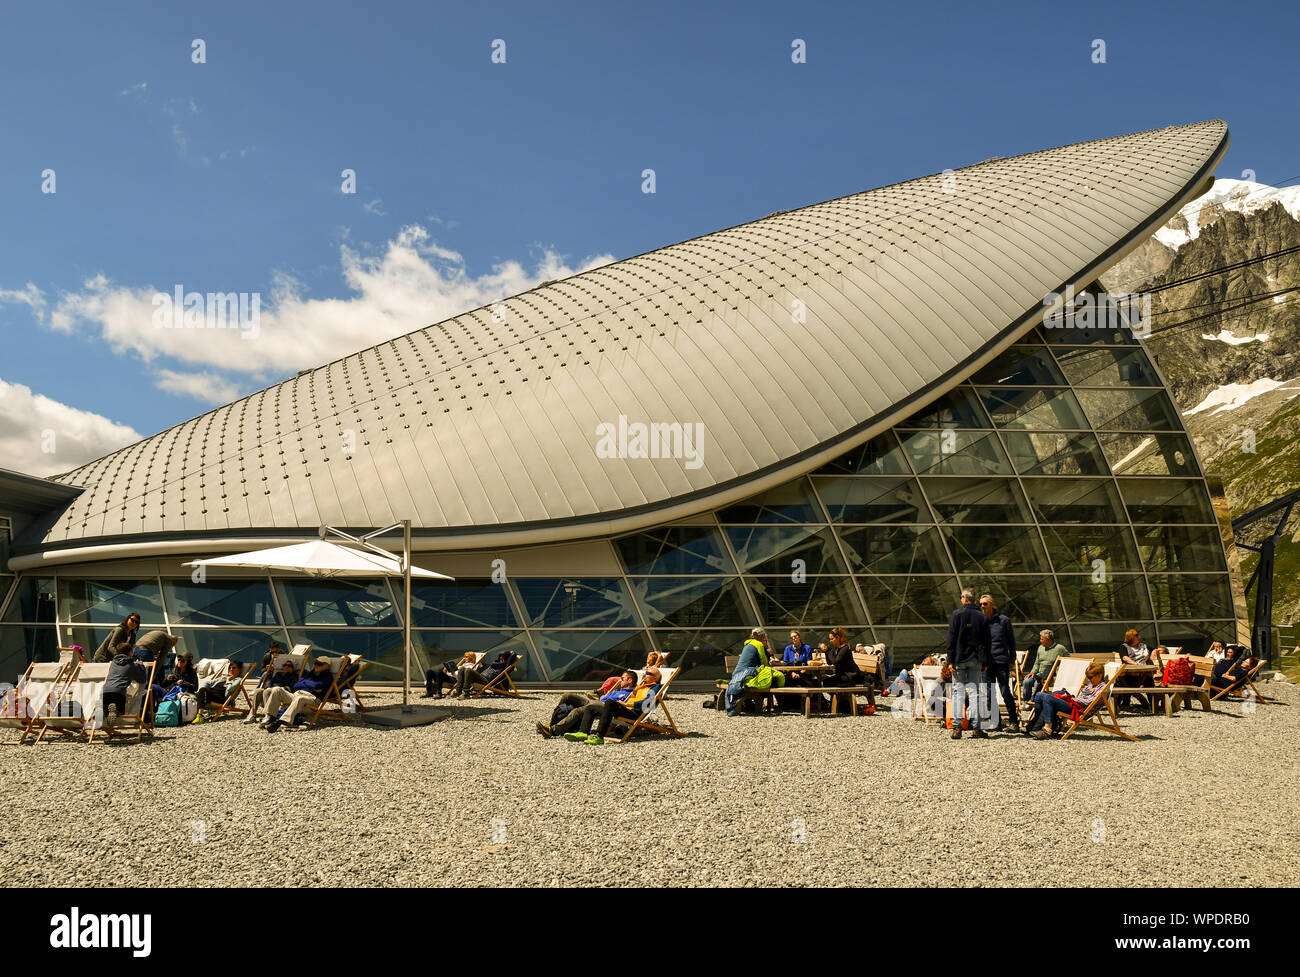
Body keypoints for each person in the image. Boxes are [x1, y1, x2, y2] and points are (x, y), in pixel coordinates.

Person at [563, 667, 662, 745]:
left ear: (655, 678)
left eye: (648, 674)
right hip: (626, 710)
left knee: (610, 702)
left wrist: (626, 704)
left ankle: (599, 736)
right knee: (591, 708)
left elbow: (646, 703)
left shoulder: (655, 688)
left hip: (634, 714)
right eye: (644, 673)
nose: (644, 675)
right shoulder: (642, 686)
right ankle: (583, 732)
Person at [946, 587, 991, 739]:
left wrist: (950, 660)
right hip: (976, 659)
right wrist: (985, 661)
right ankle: (977, 727)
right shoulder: (981, 617)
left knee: (958, 692)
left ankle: (957, 727)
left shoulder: (957, 615)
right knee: (975, 693)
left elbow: (951, 639)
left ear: (965, 598)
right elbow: (987, 642)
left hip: (959, 659)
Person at [537, 670, 637, 738]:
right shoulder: (618, 690)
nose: (620, 680)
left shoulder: (633, 693)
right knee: (567, 696)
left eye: (623, 678)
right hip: (598, 702)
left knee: (578, 710)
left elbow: (627, 707)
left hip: (605, 707)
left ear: (630, 680)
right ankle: (552, 723)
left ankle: (552, 731)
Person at [1025, 661, 1108, 739]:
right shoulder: (1092, 685)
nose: (1089, 680)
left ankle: (1047, 730)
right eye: (1088, 677)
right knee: (1039, 695)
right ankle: (1036, 726)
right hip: (1074, 704)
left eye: (1090, 677)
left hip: (1079, 710)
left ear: (1099, 676)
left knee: (1048, 698)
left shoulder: (1103, 688)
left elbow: (1090, 702)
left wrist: (1071, 699)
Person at [980, 594, 1019, 732]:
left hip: (1001, 661)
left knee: (1005, 691)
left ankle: (1014, 722)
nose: (982, 607)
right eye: (981, 604)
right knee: (989, 693)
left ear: (992, 604)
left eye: (985, 604)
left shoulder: (1003, 620)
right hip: (986, 663)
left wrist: (1012, 660)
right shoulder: (981, 621)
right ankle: (996, 721)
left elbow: (1011, 642)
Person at [264, 657, 334, 732]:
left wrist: (304, 683)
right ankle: (270, 717)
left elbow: (317, 685)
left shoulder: (328, 677)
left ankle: (280, 722)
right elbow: (296, 685)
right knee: (277, 689)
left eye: (319, 664)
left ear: (327, 666)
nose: (316, 665)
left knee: (300, 698)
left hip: (312, 700)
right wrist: (309, 684)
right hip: (296, 695)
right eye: (315, 663)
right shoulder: (310, 674)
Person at [725, 628, 784, 716]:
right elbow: (764, 662)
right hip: (747, 673)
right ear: (762, 636)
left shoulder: (748, 644)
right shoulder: (758, 644)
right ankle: (781, 704)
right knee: (775, 677)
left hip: (737, 674)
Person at [101, 642, 149, 726]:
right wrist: (140, 665)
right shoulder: (131, 665)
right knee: (120, 713)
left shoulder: (113, 664)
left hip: (105, 691)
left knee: (106, 715)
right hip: (118, 693)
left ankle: (108, 713)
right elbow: (142, 679)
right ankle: (115, 711)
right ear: (130, 652)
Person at [822, 626, 866, 713]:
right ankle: (842, 701)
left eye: (832, 639)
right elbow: (830, 662)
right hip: (843, 675)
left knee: (829, 682)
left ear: (838, 638)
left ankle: (842, 701)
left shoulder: (845, 649)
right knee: (826, 681)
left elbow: (836, 661)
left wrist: (827, 651)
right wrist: (826, 652)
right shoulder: (836, 649)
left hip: (850, 676)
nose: (830, 641)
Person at [245, 659, 300, 723]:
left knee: (268, 691)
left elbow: (292, 687)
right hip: (271, 690)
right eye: (285, 665)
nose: (286, 667)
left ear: (293, 668)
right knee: (258, 691)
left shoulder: (294, 676)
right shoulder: (278, 674)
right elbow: (271, 682)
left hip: (282, 692)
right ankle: (252, 715)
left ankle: (268, 716)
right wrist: (270, 673)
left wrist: (279, 688)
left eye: (289, 665)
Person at [449, 649, 520, 698]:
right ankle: (458, 691)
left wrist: (512, 652)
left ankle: (466, 693)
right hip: (481, 677)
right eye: (500, 656)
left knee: (468, 670)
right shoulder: (496, 663)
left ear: (507, 658)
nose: (501, 658)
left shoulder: (506, 666)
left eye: (503, 656)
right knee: (461, 668)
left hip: (486, 681)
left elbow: (512, 657)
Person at [1021, 629, 1067, 703]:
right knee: (1026, 681)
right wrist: (1032, 672)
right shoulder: (1040, 648)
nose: (1040, 640)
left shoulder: (1060, 648)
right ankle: (1026, 701)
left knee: (1037, 683)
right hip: (1039, 674)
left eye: (1042, 639)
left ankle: (1033, 701)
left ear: (1048, 640)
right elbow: (1037, 663)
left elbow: (1068, 660)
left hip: (1050, 675)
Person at [1117, 629, 1154, 710]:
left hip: (1143, 671)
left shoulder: (1143, 645)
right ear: (1131, 637)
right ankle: (1125, 703)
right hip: (1129, 673)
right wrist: (1135, 664)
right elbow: (1125, 657)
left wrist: (1154, 653)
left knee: (1149, 680)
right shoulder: (1124, 646)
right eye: (1137, 635)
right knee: (1125, 681)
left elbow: (1154, 649)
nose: (1139, 637)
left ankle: (1153, 705)